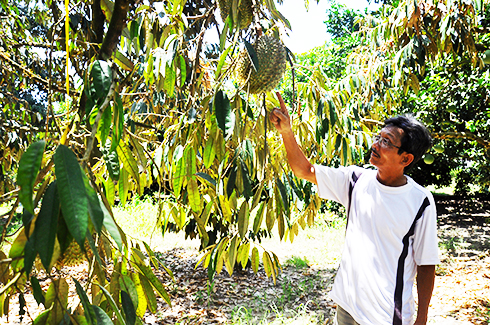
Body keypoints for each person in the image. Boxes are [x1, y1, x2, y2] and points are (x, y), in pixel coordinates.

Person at [269, 92, 439, 325]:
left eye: (386, 142)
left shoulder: (420, 201)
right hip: (347, 307)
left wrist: (422, 319)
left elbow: (427, 264)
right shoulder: (356, 180)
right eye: (378, 138)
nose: (376, 145)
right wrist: (287, 132)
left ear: (406, 159)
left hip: (386, 316)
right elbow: (304, 171)